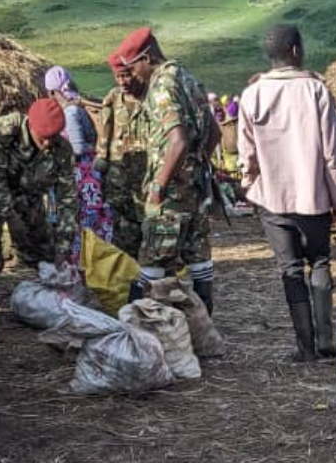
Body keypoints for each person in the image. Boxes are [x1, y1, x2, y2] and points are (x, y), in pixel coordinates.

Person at [238, 23, 336, 362]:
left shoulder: (251, 94)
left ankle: (304, 347)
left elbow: (247, 154)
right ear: (297, 51)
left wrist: (250, 185)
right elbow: (333, 152)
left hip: (272, 198)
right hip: (313, 196)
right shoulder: (316, 91)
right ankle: (326, 339)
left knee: (290, 270)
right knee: (319, 261)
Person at [112, 26, 220, 313]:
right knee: (199, 260)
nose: (132, 74)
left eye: (133, 66)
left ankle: (133, 333)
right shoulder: (189, 79)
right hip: (195, 189)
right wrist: (195, 166)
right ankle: (202, 330)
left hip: (170, 195)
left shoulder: (162, 87)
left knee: (151, 260)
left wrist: (159, 186)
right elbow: (215, 134)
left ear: (147, 59)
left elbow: (178, 139)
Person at [0, 98, 77, 311]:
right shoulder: (5, 131)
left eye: (53, 138)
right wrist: (11, 217)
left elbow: (68, 199)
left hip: (28, 196)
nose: (48, 145)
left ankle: (50, 303)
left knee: (44, 247)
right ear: (31, 126)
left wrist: (64, 246)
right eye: (43, 138)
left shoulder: (62, 149)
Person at [41, 64, 113, 261]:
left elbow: (78, 148)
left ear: (53, 91)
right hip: (85, 175)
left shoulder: (70, 113)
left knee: (86, 222)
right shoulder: (76, 106)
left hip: (82, 177)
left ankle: (87, 263)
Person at [96, 52, 146, 258]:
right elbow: (104, 134)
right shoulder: (113, 99)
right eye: (118, 77)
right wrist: (101, 161)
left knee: (146, 224)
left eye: (126, 75)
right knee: (121, 228)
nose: (122, 81)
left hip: (144, 176)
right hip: (118, 177)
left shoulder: (149, 98)